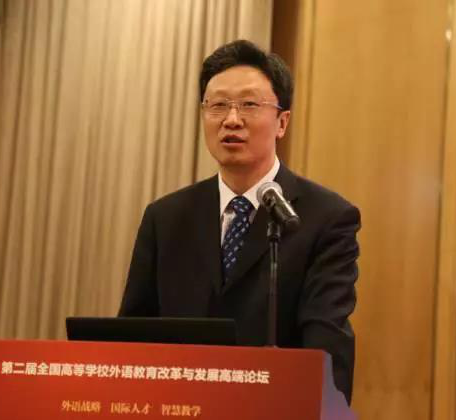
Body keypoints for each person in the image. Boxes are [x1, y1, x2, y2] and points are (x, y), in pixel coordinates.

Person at [119, 40, 360, 403]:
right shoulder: (165, 218)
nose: (231, 119)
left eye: (249, 104)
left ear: (282, 122)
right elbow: (131, 339)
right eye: (218, 105)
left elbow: (327, 351)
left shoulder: (325, 218)